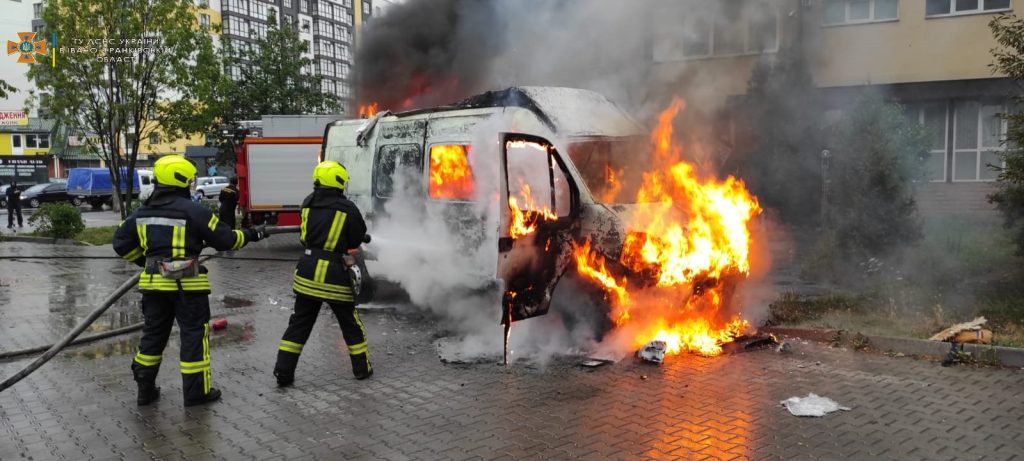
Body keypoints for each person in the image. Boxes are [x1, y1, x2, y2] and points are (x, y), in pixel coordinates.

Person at [112, 155, 266, 407]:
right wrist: (251, 234)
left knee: (153, 336)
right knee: (194, 336)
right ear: (181, 180)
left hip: (154, 288)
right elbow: (227, 240)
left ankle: (145, 391)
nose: (191, 185)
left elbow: (120, 243)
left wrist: (147, 263)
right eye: (190, 180)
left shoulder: (141, 213)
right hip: (188, 289)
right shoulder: (195, 212)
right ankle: (196, 393)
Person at [273, 160, 370, 386]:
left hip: (307, 273)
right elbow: (356, 239)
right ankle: (361, 369)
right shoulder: (347, 208)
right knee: (350, 324)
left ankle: (283, 372)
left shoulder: (308, 202)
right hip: (334, 276)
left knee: (299, 324)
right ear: (338, 180)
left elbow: (304, 237)